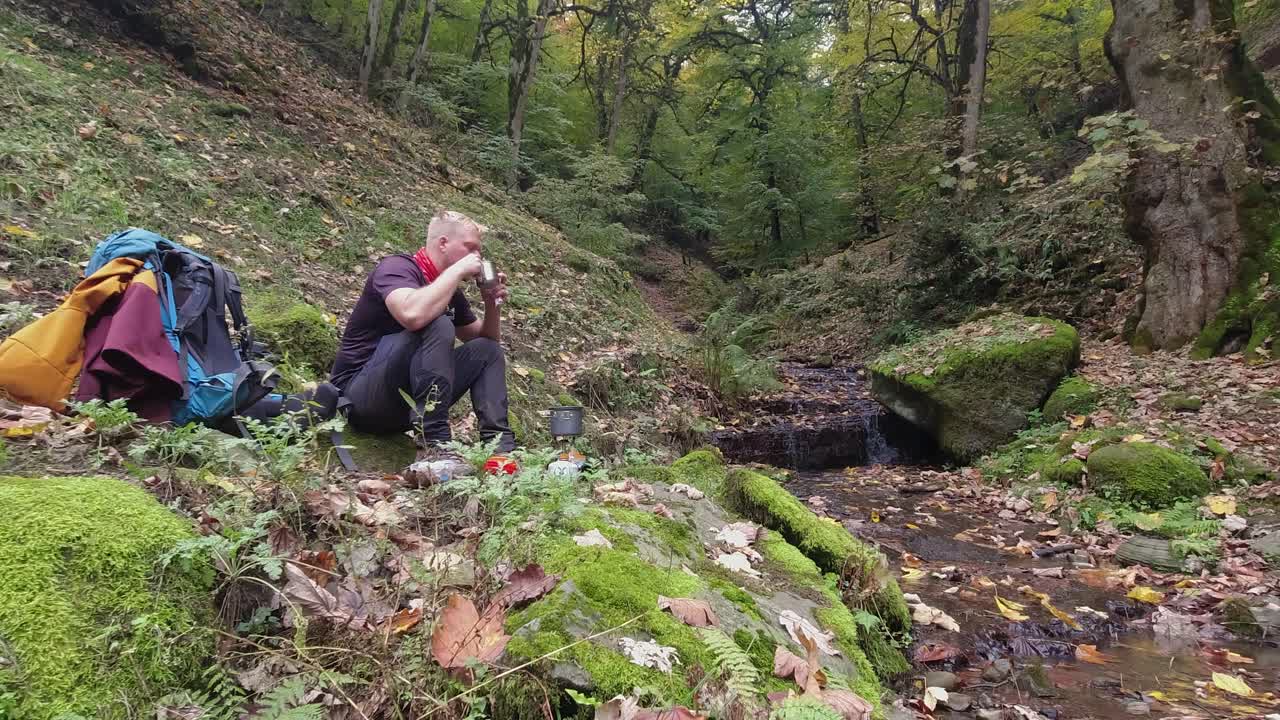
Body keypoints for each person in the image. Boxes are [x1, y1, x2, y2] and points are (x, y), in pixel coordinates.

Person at [330, 210, 515, 479]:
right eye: (470, 248)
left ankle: (500, 450)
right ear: (443, 243)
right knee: (437, 322)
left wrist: (491, 303)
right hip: (360, 397)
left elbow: (485, 341)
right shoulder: (396, 268)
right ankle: (436, 445)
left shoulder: (449, 291)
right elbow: (412, 315)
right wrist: (458, 270)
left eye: (479, 251)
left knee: (488, 351)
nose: (477, 257)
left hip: (403, 406)